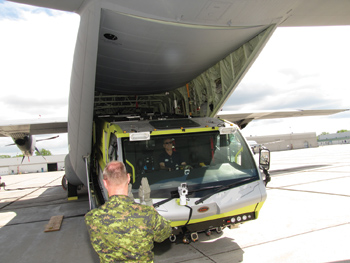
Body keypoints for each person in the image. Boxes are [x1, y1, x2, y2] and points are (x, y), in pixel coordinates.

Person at [85, 161, 172, 262]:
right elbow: (165, 233)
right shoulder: (147, 214)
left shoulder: (92, 218)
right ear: (128, 178)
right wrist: (149, 205)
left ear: (105, 183)